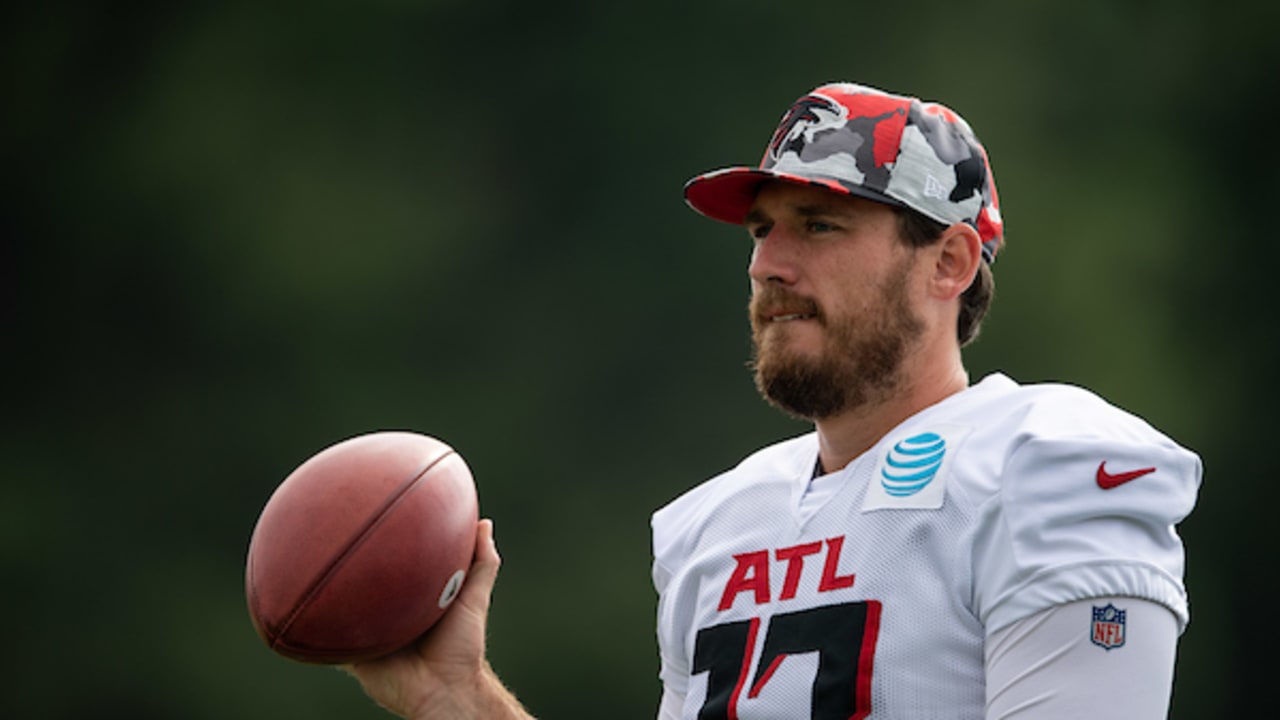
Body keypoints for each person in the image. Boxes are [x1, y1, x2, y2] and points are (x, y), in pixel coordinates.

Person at [345, 82, 1202, 719]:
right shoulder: (717, 526)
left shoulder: (1048, 469)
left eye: (819, 225)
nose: (768, 265)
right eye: (763, 230)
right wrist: (458, 699)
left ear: (948, 263)